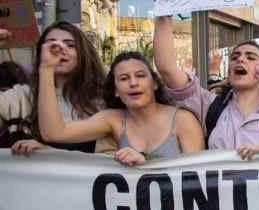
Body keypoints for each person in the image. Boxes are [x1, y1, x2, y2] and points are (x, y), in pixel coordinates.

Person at [153, 0, 259, 160]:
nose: (240, 60)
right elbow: (166, 68)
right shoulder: (209, 106)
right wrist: (164, 12)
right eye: (235, 57)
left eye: (250, 57)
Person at [37, 51, 203, 165]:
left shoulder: (183, 120)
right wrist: (46, 68)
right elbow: (54, 132)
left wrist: (146, 167)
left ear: (154, 83)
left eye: (140, 76)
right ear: (115, 90)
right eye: (124, 78)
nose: (133, 83)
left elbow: (197, 178)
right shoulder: (112, 119)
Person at [5, 21, 106, 157]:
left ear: (84, 53)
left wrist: (49, 153)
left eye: (70, 45)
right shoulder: (22, 96)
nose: (58, 49)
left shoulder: (103, 101)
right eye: (50, 44)